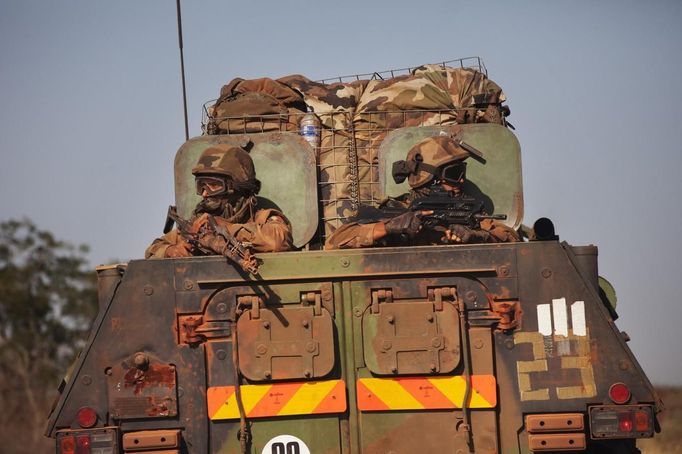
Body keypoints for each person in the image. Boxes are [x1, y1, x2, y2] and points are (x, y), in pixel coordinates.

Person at [325, 136, 520, 249]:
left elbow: (511, 238)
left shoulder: (465, 210)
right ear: (430, 177)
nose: (461, 180)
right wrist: (389, 228)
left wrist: (477, 236)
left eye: (462, 172)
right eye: (453, 174)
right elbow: (334, 244)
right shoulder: (397, 210)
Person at [145, 145, 293, 258]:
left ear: (237, 189)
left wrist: (226, 228)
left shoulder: (262, 216)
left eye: (214, 185)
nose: (204, 193)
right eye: (201, 185)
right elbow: (152, 250)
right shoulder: (199, 224)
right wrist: (171, 250)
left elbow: (277, 241)